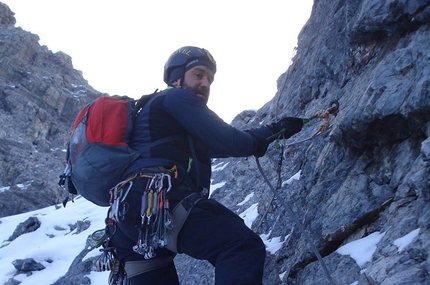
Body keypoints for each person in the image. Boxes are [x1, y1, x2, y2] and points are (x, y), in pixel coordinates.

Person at [108, 46, 303, 285]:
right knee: (239, 245)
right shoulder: (175, 97)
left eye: (210, 79)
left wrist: (273, 131)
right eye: (198, 74)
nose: (205, 83)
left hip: (127, 217)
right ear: (176, 78)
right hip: (157, 198)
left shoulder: (158, 117)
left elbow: (218, 146)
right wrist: (263, 137)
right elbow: (229, 140)